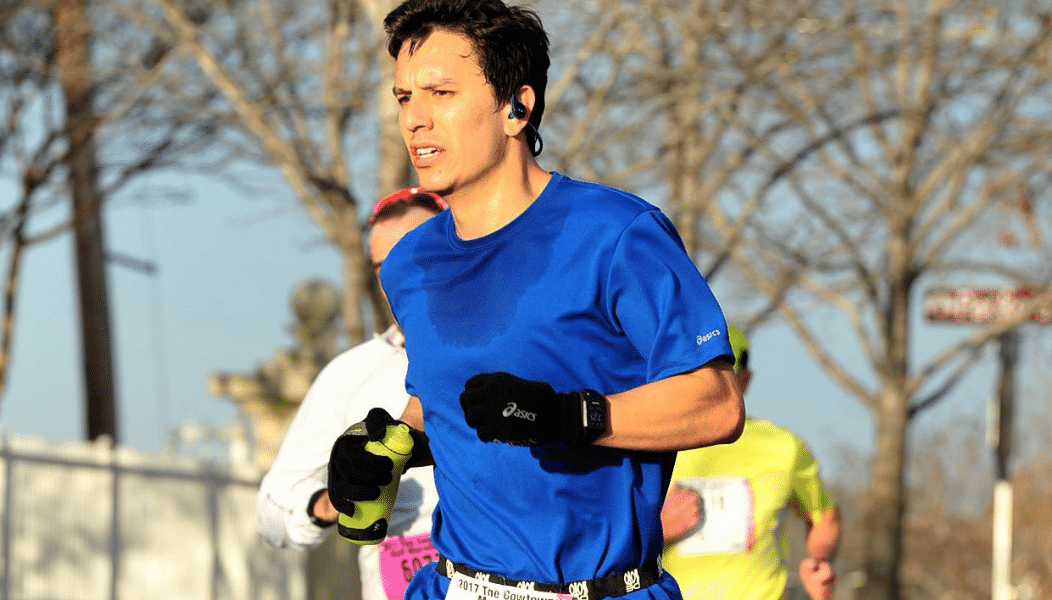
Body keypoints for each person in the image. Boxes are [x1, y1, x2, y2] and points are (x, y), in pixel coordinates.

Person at [326, 1, 746, 599]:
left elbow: (717, 405)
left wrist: (568, 418)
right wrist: (387, 453)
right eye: (403, 98)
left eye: (441, 93)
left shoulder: (616, 233)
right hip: (452, 585)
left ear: (516, 107)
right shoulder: (410, 264)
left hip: (596, 586)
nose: (415, 119)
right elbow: (447, 402)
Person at [257, 188, 447, 600]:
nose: (398, 278)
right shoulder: (354, 372)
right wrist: (331, 502)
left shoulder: (522, 351)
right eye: (383, 266)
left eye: (415, 253)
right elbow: (271, 509)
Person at [660, 324, 842, 600]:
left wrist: (818, 560)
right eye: (699, 378)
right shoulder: (653, 444)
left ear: (744, 380)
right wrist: (658, 530)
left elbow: (824, 515)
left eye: (724, 379)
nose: (710, 391)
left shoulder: (783, 447)